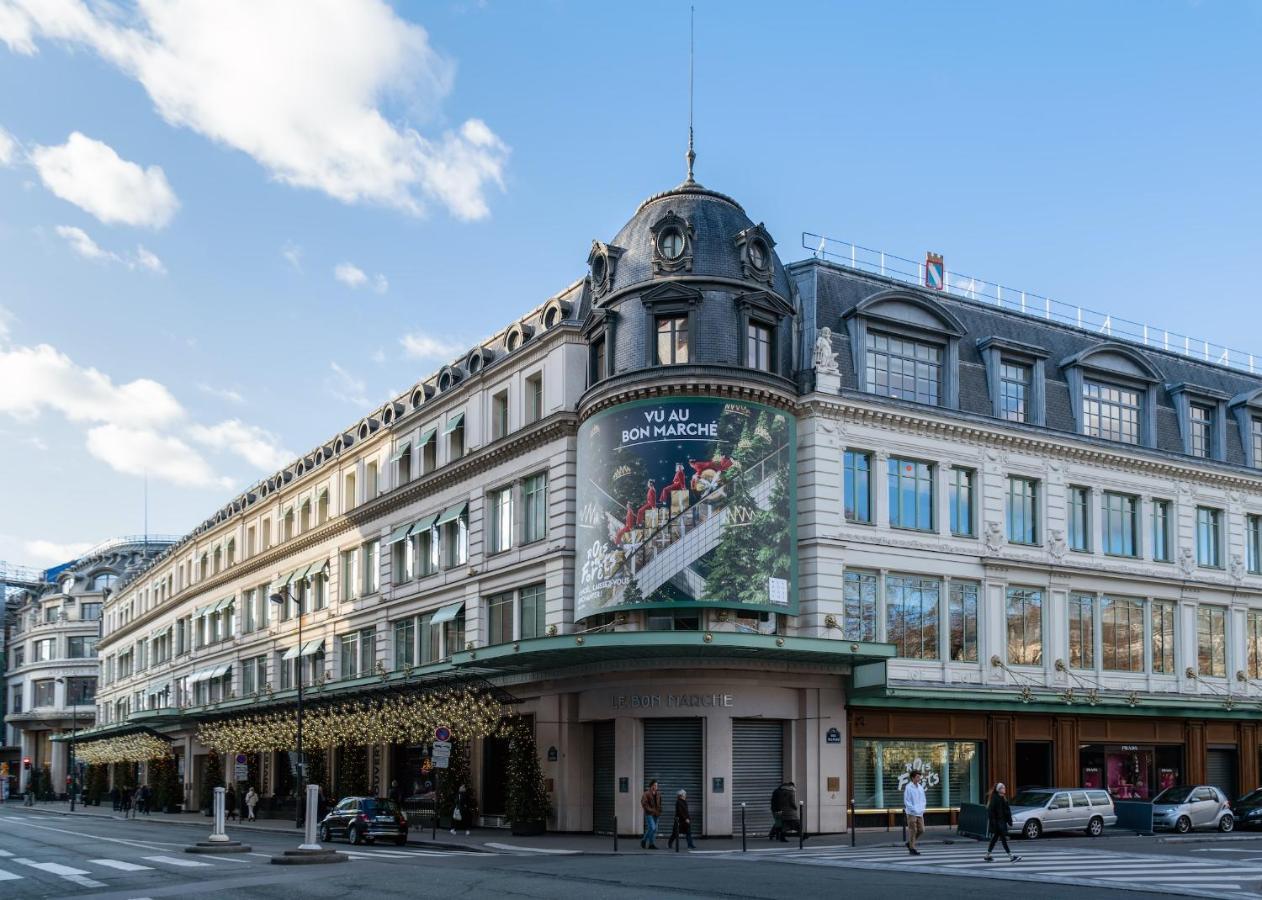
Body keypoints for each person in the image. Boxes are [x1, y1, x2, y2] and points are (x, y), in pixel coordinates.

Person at [984, 782, 1021, 863]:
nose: (1005, 789)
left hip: (1001, 822)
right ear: (999, 790)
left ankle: (987, 856)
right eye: (1003, 788)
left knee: (994, 839)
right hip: (998, 823)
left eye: (1004, 787)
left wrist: (1009, 820)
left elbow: (1007, 811)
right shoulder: (995, 798)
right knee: (1003, 839)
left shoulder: (1003, 798)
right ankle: (1011, 857)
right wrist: (994, 823)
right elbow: (991, 812)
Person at [903, 770, 926, 855]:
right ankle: (912, 849)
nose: (919, 778)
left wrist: (922, 808)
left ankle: (909, 843)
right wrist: (913, 809)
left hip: (920, 813)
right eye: (917, 777)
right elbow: (907, 801)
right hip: (911, 813)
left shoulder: (920, 787)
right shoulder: (908, 787)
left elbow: (923, 799)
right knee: (913, 830)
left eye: (919, 777)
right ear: (913, 778)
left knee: (922, 830)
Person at [640, 780, 662, 849]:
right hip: (649, 814)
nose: (656, 787)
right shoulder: (646, 793)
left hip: (656, 814)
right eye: (655, 785)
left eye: (657, 785)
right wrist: (650, 810)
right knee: (652, 827)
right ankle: (649, 843)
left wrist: (660, 810)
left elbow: (660, 803)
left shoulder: (658, 793)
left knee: (653, 829)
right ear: (651, 786)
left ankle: (647, 842)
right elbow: (644, 803)